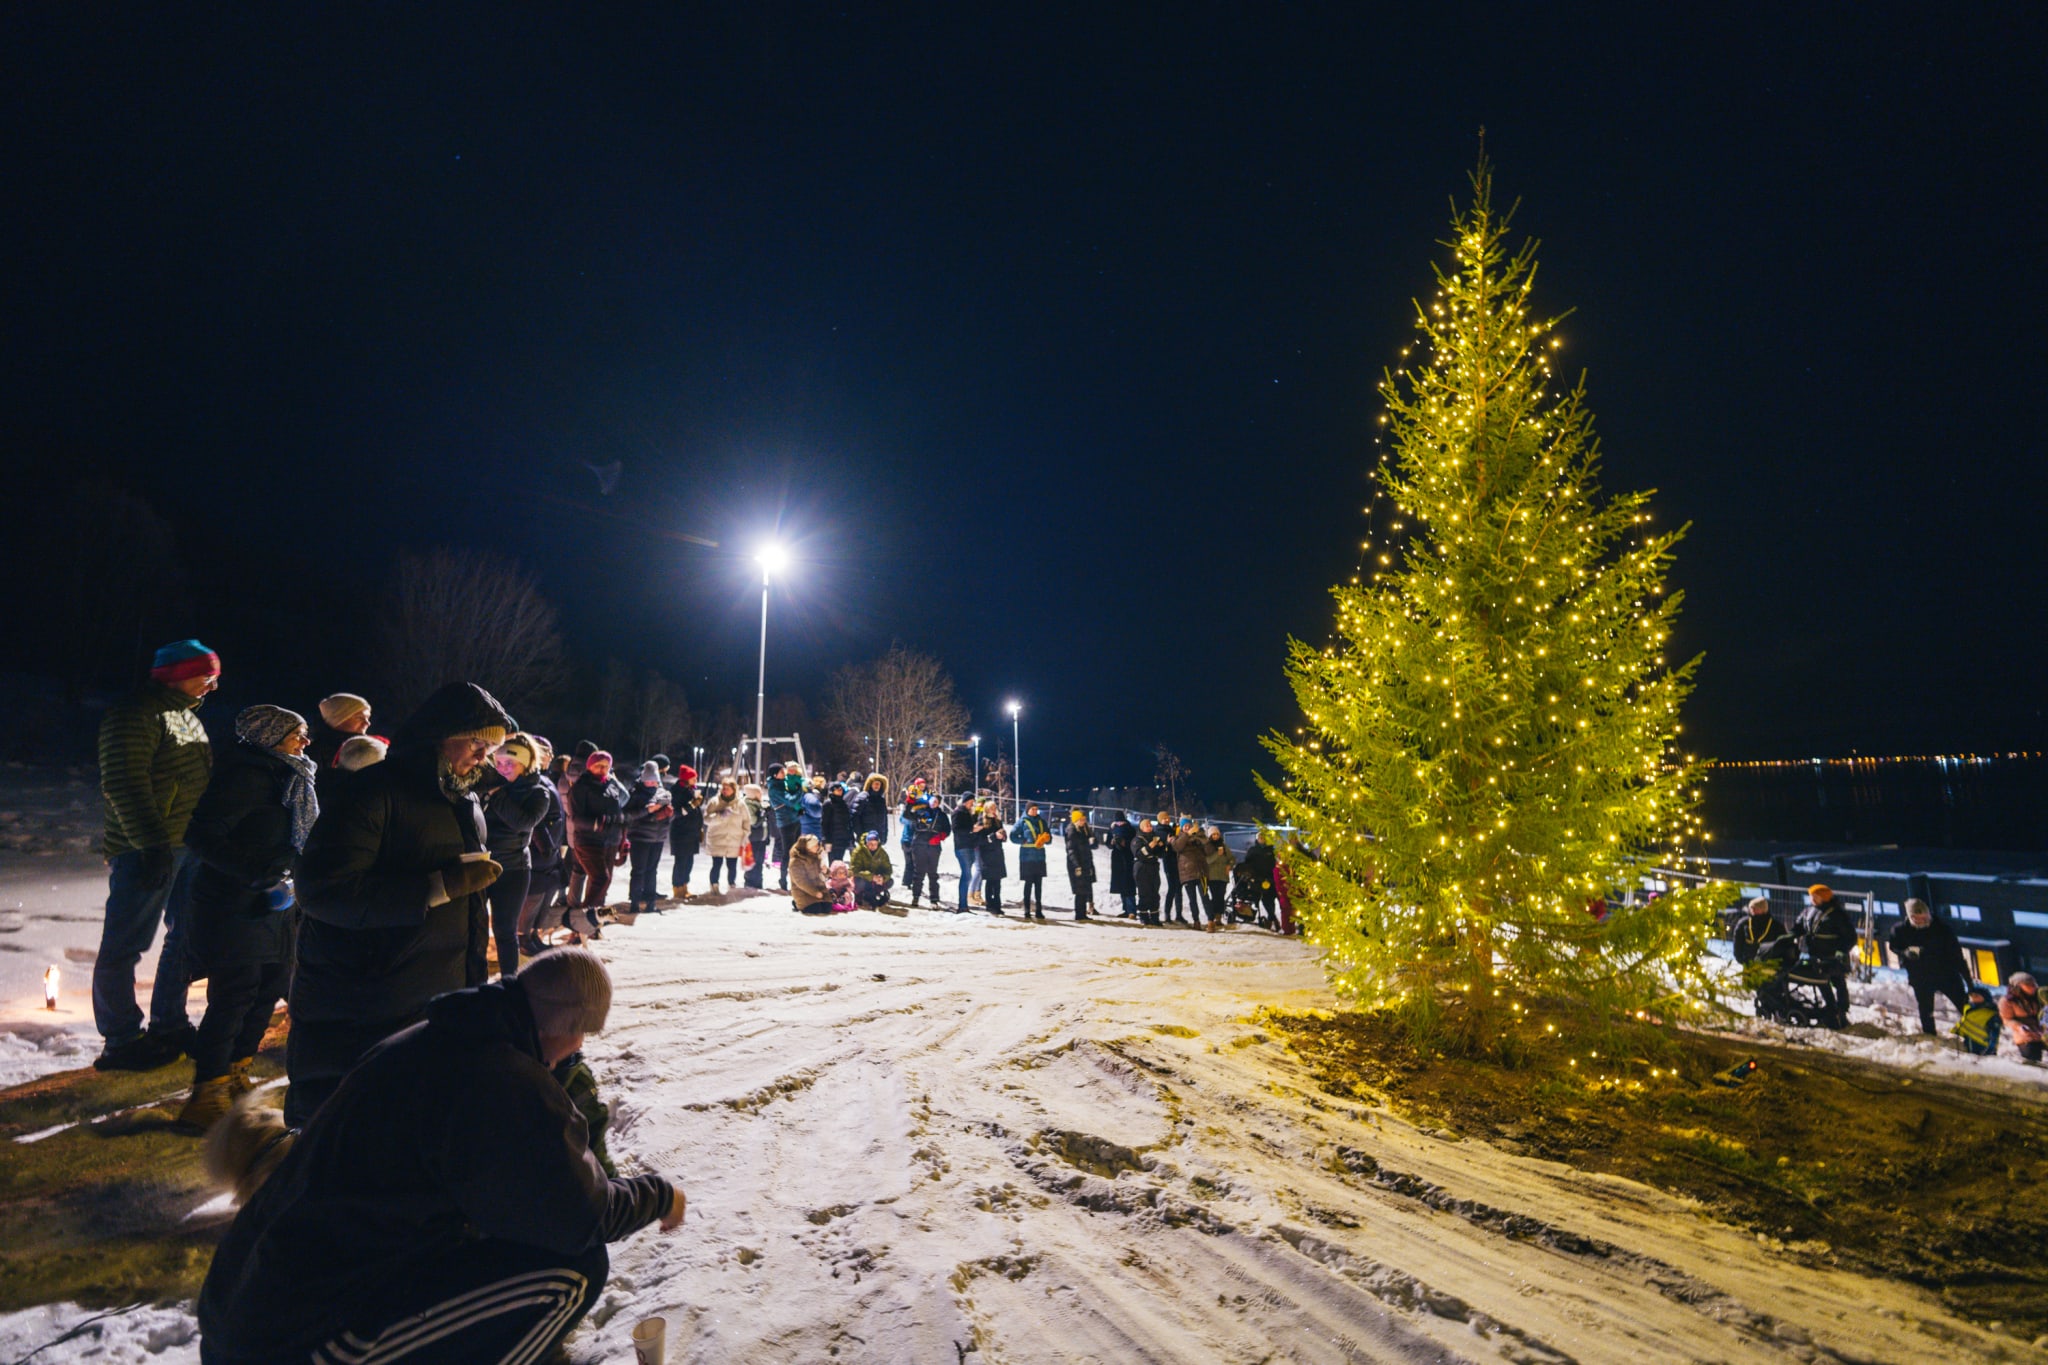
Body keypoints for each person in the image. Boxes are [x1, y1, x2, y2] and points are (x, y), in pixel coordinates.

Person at [196, 948, 685, 1365]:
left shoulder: (431, 1041)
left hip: (239, 1308)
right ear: (563, 1025)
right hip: (300, 1341)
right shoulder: (502, 1079)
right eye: (583, 1032)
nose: (580, 1046)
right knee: (575, 1272)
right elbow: (584, 1216)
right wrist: (659, 1196)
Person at [285, 681, 513, 1128]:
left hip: (430, 997)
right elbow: (321, 891)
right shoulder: (372, 792)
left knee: (401, 1132)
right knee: (338, 1132)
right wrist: (436, 887)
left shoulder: (465, 802)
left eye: (493, 746)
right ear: (439, 734)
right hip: (362, 1000)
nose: (484, 755)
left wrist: (468, 992)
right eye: (477, 742)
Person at [174, 705, 317, 1132]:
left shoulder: (290, 776)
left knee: (269, 988)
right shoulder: (246, 776)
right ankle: (206, 1092)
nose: (306, 741)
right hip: (234, 905)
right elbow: (201, 835)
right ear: (270, 735)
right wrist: (256, 872)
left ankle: (236, 1071)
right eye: (298, 733)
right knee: (234, 993)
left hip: (275, 905)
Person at [92, 637, 217, 1071]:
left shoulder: (187, 718)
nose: (212, 686)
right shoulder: (135, 714)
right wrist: (150, 844)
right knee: (125, 943)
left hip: (188, 847)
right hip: (145, 847)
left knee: (185, 936)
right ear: (179, 674)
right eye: (206, 676)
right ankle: (120, 1038)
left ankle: (170, 1021)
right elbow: (124, 782)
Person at [480, 733, 550, 978]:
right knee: (475, 928)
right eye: (498, 763)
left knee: (505, 930)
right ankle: (474, 978)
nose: (502, 768)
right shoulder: (486, 785)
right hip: (481, 866)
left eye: (510, 763)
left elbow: (523, 822)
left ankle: (510, 981)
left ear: (526, 763)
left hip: (513, 869)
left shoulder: (538, 793)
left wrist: (496, 795)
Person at [1888, 898, 1973, 1035]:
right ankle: (1930, 1036)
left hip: (1947, 975)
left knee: (1964, 1006)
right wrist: (1905, 952)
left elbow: (1957, 956)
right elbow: (1894, 946)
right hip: (1921, 977)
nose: (1922, 921)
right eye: (1918, 919)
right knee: (1926, 1010)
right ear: (1910, 917)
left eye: (1925, 918)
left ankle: (1976, 1035)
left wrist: (1969, 982)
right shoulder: (1900, 930)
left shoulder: (1942, 929)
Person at [519, 737, 569, 955]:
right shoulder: (532, 783)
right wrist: (547, 846)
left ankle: (533, 934)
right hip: (540, 851)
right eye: (546, 752)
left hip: (550, 850)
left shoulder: (545, 779)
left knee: (543, 894)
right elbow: (535, 820)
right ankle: (522, 938)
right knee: (532, 897)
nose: (550, 756)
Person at [568, 751, 628, 930]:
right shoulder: (581, 787)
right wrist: (595, 824)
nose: (602, 769)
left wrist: (623, 837)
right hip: (588, 840)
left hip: (610, 840)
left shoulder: (611, 785)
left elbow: (620, 810)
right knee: (601, 878)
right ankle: (581, 920)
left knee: (604, 883)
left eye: (606, 766)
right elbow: (576, 817)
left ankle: (594, 924)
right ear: (589, 766)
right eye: (598, 765)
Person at [1798, 884, 1857, 1027]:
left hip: (1833, 957)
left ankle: (1841, 1011)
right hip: (1815, 955)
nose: (1812, 899)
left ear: (1823, 897)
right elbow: (1798, 926)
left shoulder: (1837, 914)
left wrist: (1841, 950)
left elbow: (1850, 936)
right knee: (1821, 982)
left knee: (1838, 983)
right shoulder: (1808, 911)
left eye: (1815, 896)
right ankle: (1831, 1008)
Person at [623, 760, 675, 913]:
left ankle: (650, 901)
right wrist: (649, 811)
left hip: (657, 838)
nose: (651, 783)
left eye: (654, 780)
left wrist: (668, 815)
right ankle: (635, 902)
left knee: (652, 870)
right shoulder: (635, 793)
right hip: (640, 838)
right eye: (648, 780)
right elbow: (627, 816)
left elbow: (669, 817)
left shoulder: (663, 793)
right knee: (638, 870)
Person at [1731, 896, 1796, 1016]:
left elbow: (1784, 944)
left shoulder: (1775, 926)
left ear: (1763, 909)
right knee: (1758, 989)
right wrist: (1740, 958)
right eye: (1752, 908)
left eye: (1756, 909)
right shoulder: (1744, 924)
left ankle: (1770, 1007)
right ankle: (1763, 1007)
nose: (1753, 911)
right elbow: (1737, 942)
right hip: (1751, 963)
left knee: (1769, 988)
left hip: (1769, 964)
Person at [700, 779, 752, 894]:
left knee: (732, 865)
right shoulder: (714, 802)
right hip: (717, 840)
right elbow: (706, 819)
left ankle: (731, 884)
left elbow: (746, 821)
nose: (724, 791)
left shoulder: (740, 804)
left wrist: (744, 834)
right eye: (723, 788)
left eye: (727, 788)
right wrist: (720, 816)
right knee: (716, 864)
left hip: (734, 840)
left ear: (734, 790)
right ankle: (714, 885)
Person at [905, 794, 949, 907]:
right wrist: (910, 803)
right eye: (932, 801)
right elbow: (908, 815)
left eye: (936, 802)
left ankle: (934, 899)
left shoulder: (942, 815)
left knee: (932, 873)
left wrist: (940, 837)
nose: (934, 803)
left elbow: (947, 830)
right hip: (919, 844)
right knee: (918, 872)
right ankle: (915, 897)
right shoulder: (920, 811)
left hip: (933, 846)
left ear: (939, 803)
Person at [307, 693, 373, 769]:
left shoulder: (369, 747)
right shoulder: (315, 755)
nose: (367, 723)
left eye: (368, 718)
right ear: (338, 720)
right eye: (359, 718)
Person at [668, 765, 704, 900]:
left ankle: (684, 886)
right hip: (681, 833)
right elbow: (677, 813)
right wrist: (692, 805)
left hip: (691, 833)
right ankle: (678, 888)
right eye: (693, 778)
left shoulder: (690, 790)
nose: (695, 780)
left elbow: (694, 811)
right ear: (686, 778)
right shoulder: (677, 791)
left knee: (689, 861)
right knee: (681, 861)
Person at [1170, 818, 1211, 927]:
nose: (1187, 827)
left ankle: (1210, 920)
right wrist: (1187, 835)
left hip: (1201, 872)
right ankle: (1196, 921)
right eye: (1185, 826)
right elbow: (1178, 847)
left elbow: (1209, 851)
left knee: (1205, 896)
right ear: (1182, 828)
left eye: (1189, 825)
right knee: (1192, 899)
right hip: (1187, 873)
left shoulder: (1199, 837)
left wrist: (1201, 837)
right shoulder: (1177, 838)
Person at [1237, 831, 1278, 928]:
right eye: (1260, 837)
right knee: (1256, 899)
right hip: (1256, 879)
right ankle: (1259, 916)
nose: (1262, 839)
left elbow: (1274, 864)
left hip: (1269, 879)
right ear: (1257, 839)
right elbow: (1247, 864)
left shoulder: (1271, 850)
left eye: (1263, 837)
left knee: (1269, 900)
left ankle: (1271, 918)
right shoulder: (1253, 850)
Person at [2001, 973, 2044, 1062]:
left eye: (2034, 984)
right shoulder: (2008, 1001)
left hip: (2043, 1031)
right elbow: (2007, 1020)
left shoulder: (2039, 997)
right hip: (2026, 1036)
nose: (2034, 987)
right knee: (2033, 1059)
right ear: (2019, 986)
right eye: (2029, 985)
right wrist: (2019, 1027)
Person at [1133, 818, 1167, 927]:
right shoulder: (1137, 840)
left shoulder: (1155, 838)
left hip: (1153, 867)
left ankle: (1154, 917)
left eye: (1150, 825)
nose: (1150, 827)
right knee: (1144, 893)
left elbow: (1161, 854)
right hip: (1142, 868)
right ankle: (1143, 916)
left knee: (1154, 893)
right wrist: (1150, 846)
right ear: (1142, 828)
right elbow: (1139, 854)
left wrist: (1162, 846)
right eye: (1147, 826)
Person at [951, 795, 984, 909]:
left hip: (970, 846)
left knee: (967, 875)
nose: (972, 804)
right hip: (962, 847)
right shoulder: (958, 812)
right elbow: (956, 829)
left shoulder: (968, 813)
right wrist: (971, 829)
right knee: (966, 875)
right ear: (965, 802)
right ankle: (962, 905)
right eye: (971, 802)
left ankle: (964, 904)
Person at [975, 804, 1009, 915]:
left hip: (997, 854)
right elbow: (980, 840)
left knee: (997, 881)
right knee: (990, 881)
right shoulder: (982, 821)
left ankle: (997, 905)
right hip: (987, 855)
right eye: (991, 808)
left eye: (995, 808)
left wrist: (1003, 836)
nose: (994, 811)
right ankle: (990, 905)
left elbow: (1002, 836)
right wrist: (994, 836)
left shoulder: (997, 821)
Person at [1064, 809, 1095, 921]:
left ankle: (1082, 913)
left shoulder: (1083, 830)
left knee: (1084, 889)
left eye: (1084, 820)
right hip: (1077, 864)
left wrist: (1093, 841)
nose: (1083, 822)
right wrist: (1076, 865)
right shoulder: (1072, 831)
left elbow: (1089, 847)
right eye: (1081, 820)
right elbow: (1071, 850)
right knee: (1080, 890)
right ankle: (1079, 914)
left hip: (1085, 863)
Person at [1956, 984, 2002, 1057]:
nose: (1973, 998)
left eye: (1976, 996)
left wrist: (1990, 1050)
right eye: (1971, 996)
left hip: (1980, 1045)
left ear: (1985, 998)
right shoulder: (1969, 1008)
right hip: (1964, 1040)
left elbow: (1994, 1035)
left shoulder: (1991, 1014)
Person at [789, 833, 830, 914]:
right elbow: (800, 882)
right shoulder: (796, 861)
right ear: (808, 847)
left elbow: (822, 876)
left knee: (827, 908)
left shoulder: (816, 857)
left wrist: (826, 872)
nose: (817, 847)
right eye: (815, 845)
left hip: (818, 889)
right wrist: (815, 892)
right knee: (815, 910)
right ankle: (797, 903)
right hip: (803, 891)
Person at [852, 831, 894, 908]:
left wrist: (883, 878)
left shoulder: (882, 853)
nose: (872, 846)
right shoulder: (858, 852)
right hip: (863, 878)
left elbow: (888, 870)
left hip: (875, 879)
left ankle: (874, 893)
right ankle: (859, 895)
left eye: (875, 844)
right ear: (866, 843)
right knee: (860, 882)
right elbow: (854, 870)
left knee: (890, 881)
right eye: (870, 844)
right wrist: (871, 876)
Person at [1204, 826, 1235, 930]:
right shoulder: (1208, 847)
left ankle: (1219, 918)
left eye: (1217, 834)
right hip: (1212, 876)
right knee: (1215, 896)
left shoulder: (1224, 847)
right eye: (1213, 834)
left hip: (1223, 876)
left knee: (1221, 897)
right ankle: (1212, 918)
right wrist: (1217, 854)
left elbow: (1232, 859)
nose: (1215, 836)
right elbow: (1207, 861)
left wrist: (1229, 865)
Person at [743, 781, 772, 889]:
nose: (761, 795)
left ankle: (758, 883)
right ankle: (751, 883)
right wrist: (763, 814)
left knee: (759, 862)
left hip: (760, 839)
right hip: (753, 838)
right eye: (759, 793)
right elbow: (753, 822)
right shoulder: (748, 805)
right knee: (753, 862)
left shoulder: (758, 804)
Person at [1158, 810, 1185, 921]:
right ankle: (1167, 914)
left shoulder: (1170, 829)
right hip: (1168, 862)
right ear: (1160, 820)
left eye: (1167, 818)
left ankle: (1179, 914)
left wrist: (1176, 829)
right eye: (1164, 818)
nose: (1167, 819)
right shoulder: (1159, 831)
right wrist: (1167, 842)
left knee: (1179, 888)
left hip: (1177, 861)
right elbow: (1161, 848)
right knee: (1172, 888)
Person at [1107, 813, 1136, 918]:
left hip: (1127, 859)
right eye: (1118, 822)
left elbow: (1133, 843)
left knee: (1129, 885)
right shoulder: (1112, 829)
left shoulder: (1130, 829)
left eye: (1121, 822)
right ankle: (1126, 910)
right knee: (1121, 885)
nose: (1120, 824)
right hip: (1117, 859)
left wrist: (1124, 842)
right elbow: (1108, 844)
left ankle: (1132, 910)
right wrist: (1112, 842)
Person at [852, 773, 891, 844]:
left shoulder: (881, 800)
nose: (877, 786)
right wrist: (861, 834)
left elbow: (884, 820)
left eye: (878, 784)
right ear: (870, 784)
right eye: (875, 783)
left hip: (878, 839)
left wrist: (884, 837)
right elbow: (855, 817)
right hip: (865, 838)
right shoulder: (862, 798)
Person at [821, 781, 854, 863]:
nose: (840, 790)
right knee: (832, 863)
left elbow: (848, 822)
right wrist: (826, 840)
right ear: (832, 791)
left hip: (842, 839)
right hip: (832, 839)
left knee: (840, 862)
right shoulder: (828, 804)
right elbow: (824, 823)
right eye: (837, 789)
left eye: (840, 789)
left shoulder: (844, 803)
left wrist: (850, 837)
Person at [799, 776, 825, 842]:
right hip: (810, 830)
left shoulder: (805, 796)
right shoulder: (808, 796)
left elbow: (815, 807)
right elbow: (816, 808)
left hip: (809, 830)